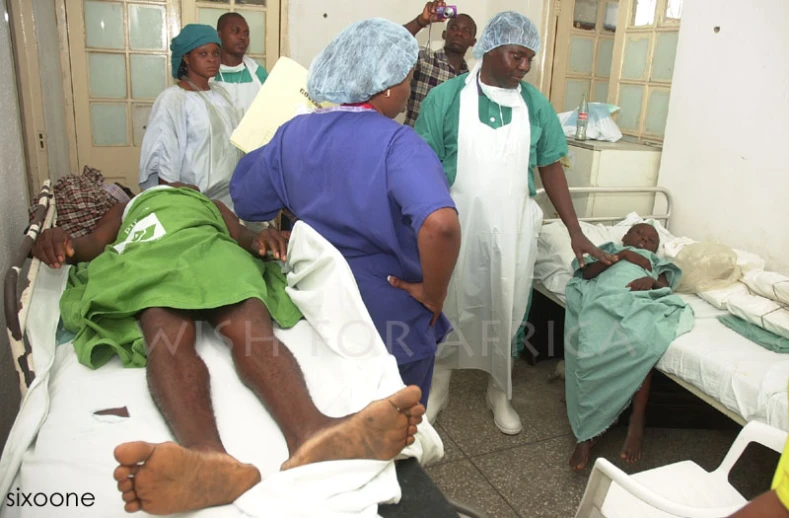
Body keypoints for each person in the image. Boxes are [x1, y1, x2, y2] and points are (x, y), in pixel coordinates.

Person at [32, 185, 426, 515]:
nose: (177, 185)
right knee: (168, 339)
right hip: (151, 255)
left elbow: (241, 237)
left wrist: (261, 241)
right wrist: (60, 241)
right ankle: (206, 457)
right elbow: (93, 245)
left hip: (213, 251)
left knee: (251, 332)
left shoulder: (211, 205)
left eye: (185, 184)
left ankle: (313, 433)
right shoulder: (129, 206)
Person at [230, 19, 462, 408]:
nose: (408, 91)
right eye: (407, 79)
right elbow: (440, 225)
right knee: (398, 435)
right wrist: (433, 294)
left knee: (334, 415)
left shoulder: (293, 133)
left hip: (317, 309)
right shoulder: (399, 144)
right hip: (388, 317)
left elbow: (250, 203)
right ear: (386, 86)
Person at [415, 11, 614, 434]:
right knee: (449, 300)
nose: (524, 66)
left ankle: (499, 392)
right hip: (456, 224)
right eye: (517, 56)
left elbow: (551, 167)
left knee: (507, 306)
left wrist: (576, 231)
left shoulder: (534, 105)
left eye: (529, 59)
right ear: (491, 48)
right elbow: (422, 164)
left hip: (514, 225)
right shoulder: (447, 99)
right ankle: (439, 385)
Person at [564, 223, 693, 471]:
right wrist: (621, 256)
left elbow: (664, 288)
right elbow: (588, 274)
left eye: (652, 239)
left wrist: (650, 281)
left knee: (642, 341)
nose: (645, 240)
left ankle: (636, 420)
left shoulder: (659, 265)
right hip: (606, 297)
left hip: (639, 300)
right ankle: (587, 434)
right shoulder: (610, 250)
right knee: (589, 346)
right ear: (625, 237)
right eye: (639, 233)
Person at [139, 24, 242, 210]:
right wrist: (175, 199)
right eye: (203, 54)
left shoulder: (222, 95)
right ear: (186, 58)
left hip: (228, 200)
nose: (211, 59)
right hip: (193, 201)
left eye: (216, 53)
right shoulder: (173, 99)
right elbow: (165, 157)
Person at [403, 1, 477, 127]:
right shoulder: (424, 59)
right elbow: (394, 42)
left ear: (473, 42)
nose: (459, 33)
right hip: (412, 142)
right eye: (454, 28)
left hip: (444, 147)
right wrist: (421, 21)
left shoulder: (470, 82)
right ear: (444, 34)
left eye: (466, 31)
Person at [213, 12, 269, 116]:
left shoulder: (258, 73)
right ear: (219, 35)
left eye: (246, 33)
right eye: (236, 31)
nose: (242, 37)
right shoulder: (208, 73)